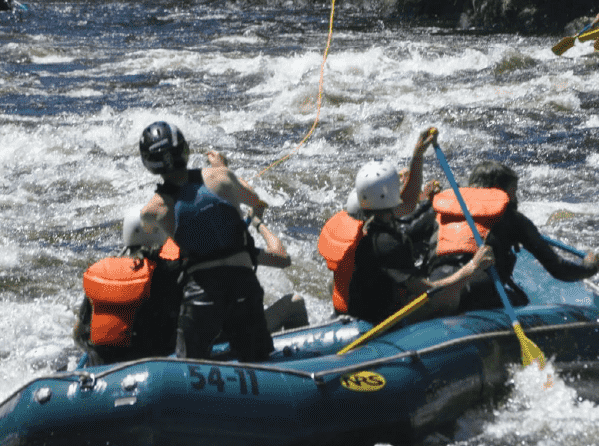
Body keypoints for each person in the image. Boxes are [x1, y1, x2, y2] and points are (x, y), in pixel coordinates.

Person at [138, 121, 288, 361]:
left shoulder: (153, 209)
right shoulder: (222, 177)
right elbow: (255, 200)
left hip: (202, 294)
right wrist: (222, 167)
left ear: (149, 165)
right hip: (243, 285)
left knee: (188, 365)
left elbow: (146, 233)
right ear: (184, 150)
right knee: (259, 360)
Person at [320, 128, 494, 326]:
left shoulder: (363, 216)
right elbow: (429, 289)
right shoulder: (387, 243)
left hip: (361, 302)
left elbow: (408, 202)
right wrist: (471, 268)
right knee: (450, 298)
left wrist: (418, 155)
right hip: (379, 319)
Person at [447, 160, 599, 311]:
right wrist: (590, 267)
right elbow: (558, 269)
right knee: (520, 300)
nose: (516, 199)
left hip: (440, 290)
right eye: (513, 192)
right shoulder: (512, 219)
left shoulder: (443, 210)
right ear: (498, 191)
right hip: (476, 297)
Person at [73, 206, 186, 366]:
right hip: (150, 365)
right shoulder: (167, 273)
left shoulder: (102, 272)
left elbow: (79, 333)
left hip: (102, 366)